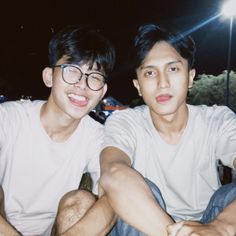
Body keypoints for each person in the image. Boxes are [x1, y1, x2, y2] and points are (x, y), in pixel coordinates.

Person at [100, 23, 236, 236]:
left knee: (230, 194)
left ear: (190, 76)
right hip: (148, 225)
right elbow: (113, 173)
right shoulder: (126, 122)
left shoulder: (217, 120)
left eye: (173, 69)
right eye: (150, 73)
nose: (163, 83)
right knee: (135, 192)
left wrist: (219, 227)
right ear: (138, 85)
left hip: (209, 221)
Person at [0, 24, 116, 235]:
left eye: (95, 77)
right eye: (72, 70)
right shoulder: (9, 119)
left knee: (83, 201)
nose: (82, 85)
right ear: (48, 76)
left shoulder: (96, 137)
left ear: (102, 92)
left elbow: (115, 193)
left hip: (55, 231)